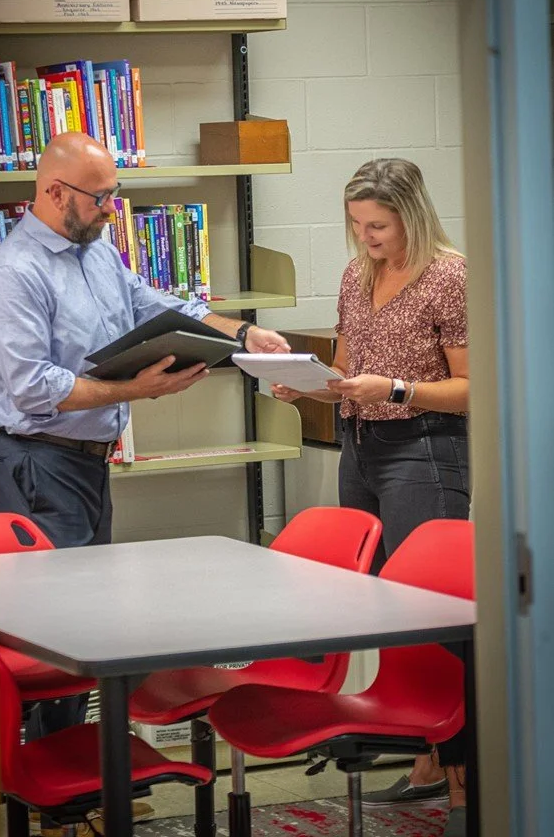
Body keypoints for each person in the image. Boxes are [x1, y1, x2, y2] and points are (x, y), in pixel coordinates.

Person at [0, 131, 290, 837]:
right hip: (35, 464)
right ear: (54, 193)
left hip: (84, 468)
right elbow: (32, 389)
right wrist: (137, 390)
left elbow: (150, 301)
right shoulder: (13, 271)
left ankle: (78, 794)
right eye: (102, 197)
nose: (112, 211)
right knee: (46, 641)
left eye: (115, 196)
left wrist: (239, 334)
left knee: (85, 630)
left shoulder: (96, 253)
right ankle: (46, 799)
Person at [272, 158, 470, 837]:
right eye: (356, 224)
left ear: (409, 215)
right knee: (383, 604)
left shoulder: (449, 275)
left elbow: (472, 387)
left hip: (425, 443)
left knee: (435, 609)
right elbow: (349, 372)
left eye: (377, 224)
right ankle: (426, 757)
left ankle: (463, 774)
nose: (365, 237)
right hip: (362, 445)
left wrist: (394, 389)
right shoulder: (357, 275)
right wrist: (308, 384)